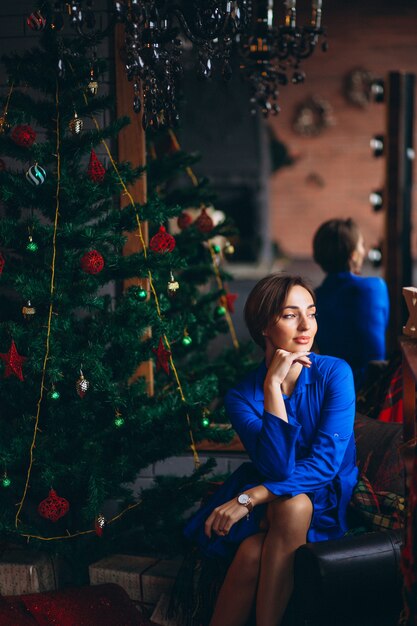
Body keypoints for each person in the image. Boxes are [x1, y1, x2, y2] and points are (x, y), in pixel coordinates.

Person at [184, 274, 358, 626]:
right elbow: (278, 468)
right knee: (255, 546)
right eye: (290, 315)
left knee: (275, 526)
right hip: (277, 498)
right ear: (264, 325)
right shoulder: (241, 396)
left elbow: (326, 465)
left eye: (311, 312)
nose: (307, 325)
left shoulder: (335, 373)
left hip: (323, 498)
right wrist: (273, 387)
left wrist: (249, 498)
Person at [313, 218, 389, 391]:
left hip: (330, 390)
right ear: (354, 254)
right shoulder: (374, 288)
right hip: (374, 390)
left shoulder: (313, 298)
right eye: (361, 244)